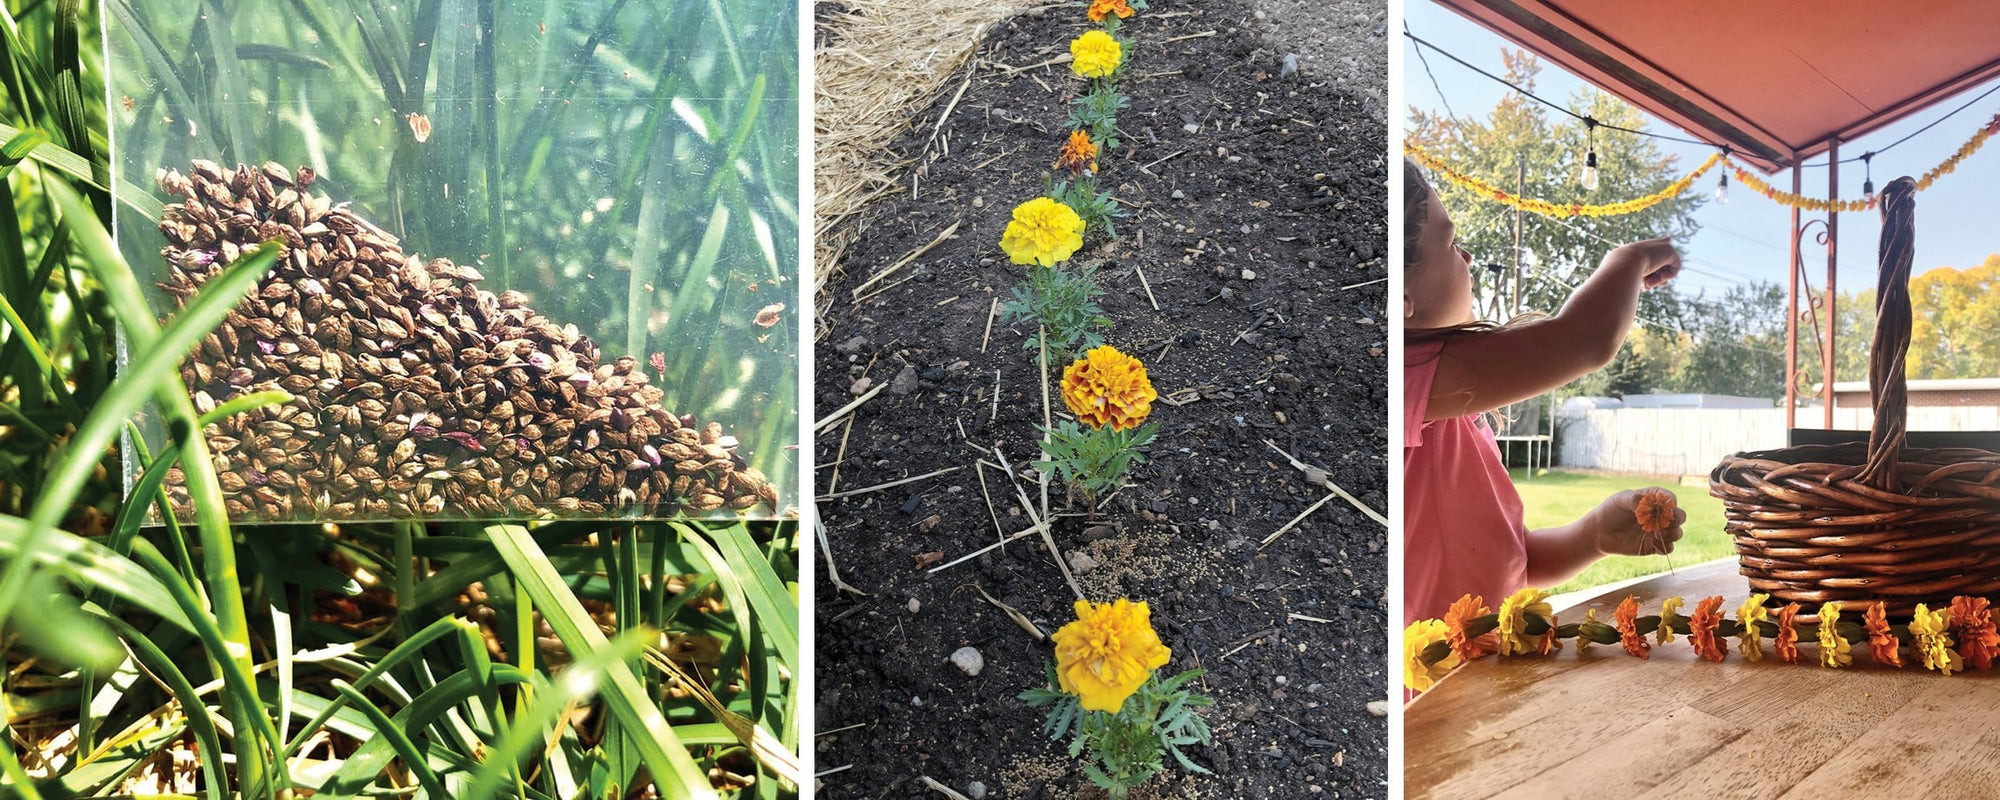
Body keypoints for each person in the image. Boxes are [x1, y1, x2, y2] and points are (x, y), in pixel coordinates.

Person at [1403, 157, 1688, 626]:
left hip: (1493, 671)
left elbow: (1516, 561)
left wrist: (1593, 535)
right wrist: (1629, 258)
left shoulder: (1453, 415)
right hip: (1436, 685)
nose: (1468, 257)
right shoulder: (1405, 376)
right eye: (1452, 243)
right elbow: (1585, 340)